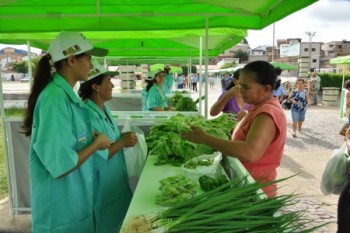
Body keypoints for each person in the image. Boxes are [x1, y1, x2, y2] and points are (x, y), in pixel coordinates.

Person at [22, 31, 111, 233]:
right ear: (71, 59)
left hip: (73, 204)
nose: (91, 64)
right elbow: (61, 163)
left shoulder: (65, 96)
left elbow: (69, 145)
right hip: (59, 212)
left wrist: (90, 140)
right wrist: (96, 144)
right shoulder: (54, 99)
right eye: (88, 59)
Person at [183, 61, 287, 198]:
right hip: (245, 183)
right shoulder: (257, 107)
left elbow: (251, 152)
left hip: (256, 189)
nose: (240, 90)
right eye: (239, 85)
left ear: (266, 89)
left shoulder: (267, 113)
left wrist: (205, 138)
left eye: (245, 87)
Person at [78, 61, 138, 233]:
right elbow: (95, 155)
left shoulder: (104, 109)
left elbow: (109, 141)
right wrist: (121, 142)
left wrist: (124, 138)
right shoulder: (88, 115)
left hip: (115, 179)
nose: (113, 85)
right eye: (108, 82)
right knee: (106, 225)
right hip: (101, 184)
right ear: (96, 87)